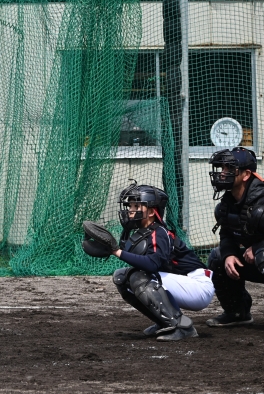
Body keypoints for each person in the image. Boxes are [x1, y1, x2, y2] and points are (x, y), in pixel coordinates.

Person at [111, 182, 215, 341]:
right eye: (130, 205)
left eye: (136, 206)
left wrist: (116, 252)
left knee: (140, 276)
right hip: (183, 282)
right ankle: (163, 322)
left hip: (197, 285)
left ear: (152, 212)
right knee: (122, 277)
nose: (130, 210)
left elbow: (152, 264)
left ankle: (182, 326)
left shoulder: (159, 232)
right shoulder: (142, 232)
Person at [205, 146, 264, 327]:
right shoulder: (227, 202)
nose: (223, 173)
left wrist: (258, 248)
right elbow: (226, 234)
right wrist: (229, 254)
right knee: (218, 257)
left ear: (246, 174)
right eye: (222, 168)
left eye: (230, 168)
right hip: (255, 261)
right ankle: (237, 312)